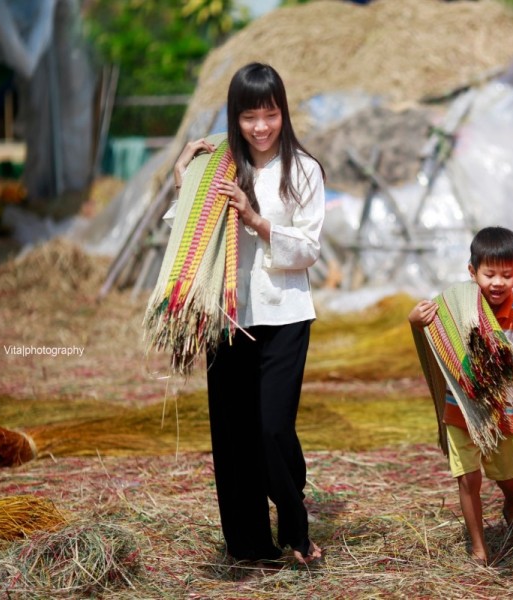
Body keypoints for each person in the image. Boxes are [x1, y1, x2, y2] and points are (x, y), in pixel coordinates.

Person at [169, 62, 326, 566]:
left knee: (272, 429)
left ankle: (297, 528)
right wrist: (183, 181)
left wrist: (255, 218)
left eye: (271, 114)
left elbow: (307, 249)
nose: (261, 127)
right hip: (227, 315)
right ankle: (250, 546)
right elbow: (186, 232)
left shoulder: (303, 169)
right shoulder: (217, 164)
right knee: (233, 435)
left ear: (283, 112)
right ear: (234, 117)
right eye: (249, 116)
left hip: (284, 313)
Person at [408, 226, 513, 565]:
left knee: (509, 476)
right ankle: (479, 548)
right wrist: (415, 321)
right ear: (473, 272)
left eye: (506, 274)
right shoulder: (457, 305)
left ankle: (511, 504)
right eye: (489, 274)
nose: (497, 283)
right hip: (461, 410)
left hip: (502, 413)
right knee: (468, 478)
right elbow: (432, 332)